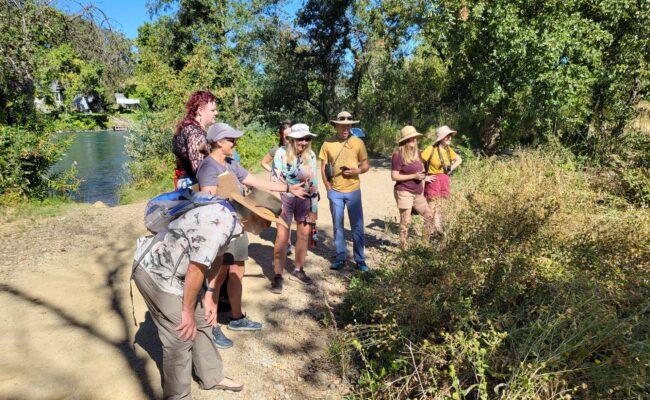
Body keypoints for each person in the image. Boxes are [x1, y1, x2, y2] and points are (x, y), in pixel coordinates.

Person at [196, 122, 306, 346]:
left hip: (237, 227)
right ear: (218, 142)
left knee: (237, 270)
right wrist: (230, 197)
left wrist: (288, 188)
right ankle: (212, 326)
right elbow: (207, 199)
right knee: (218, 277)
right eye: (231, 140)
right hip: (219, 230)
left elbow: (254, 181)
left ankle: (237, 318)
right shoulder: (208, 167)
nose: (235, 143)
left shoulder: (231, 163)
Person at [131, 202, 245, 399]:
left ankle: (211, 376)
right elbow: (195, 268)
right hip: (155, 271)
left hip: (177, 272)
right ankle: (178, 396)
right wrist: (186, 311)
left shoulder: (233, 222)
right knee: (181, 333)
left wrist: (209, 294)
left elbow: (218, 256)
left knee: (203, 319)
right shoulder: (221, 224)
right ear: (257, 217)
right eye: (268, 221)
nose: (270, 227)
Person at [270, 123, 319, 293]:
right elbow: (274, 180)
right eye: (300, 138)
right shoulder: (281, 154)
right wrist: (278, 204)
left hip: (304, 199)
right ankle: (278, 275)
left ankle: (299, 269)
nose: (304, 142)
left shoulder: (311, 155)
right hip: (285, 198)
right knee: (282, 237)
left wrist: (314, 208)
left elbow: (313, 182)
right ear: (292, 139)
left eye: (307, 138)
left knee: (304, 235)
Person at [319, 111, 370, 272]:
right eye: (342, 126)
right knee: (338, 226)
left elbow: (366, 165)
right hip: (335, 191)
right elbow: (323, 168)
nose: (346, 128)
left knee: (357, 226)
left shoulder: (358, 143)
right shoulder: (327, 143)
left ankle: (360, 260)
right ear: (336, 126)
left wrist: (357, 171)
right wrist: (328, 189)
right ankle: (340, 257)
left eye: (348, 125)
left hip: (353, 191)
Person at [391, 126, 434, 247]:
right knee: (406, 219)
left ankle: (425, 244)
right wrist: (413, 176)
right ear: (405, 141)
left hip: (417, 192)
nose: (414, 141)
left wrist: (424, 177)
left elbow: (420, 172)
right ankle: (403, 246)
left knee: (429, 216)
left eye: (415, 138)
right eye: (411, 139)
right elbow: (394, 176)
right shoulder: (398, 155)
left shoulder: (418, 153)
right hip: (404, 191)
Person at [421, 125, 463, 237]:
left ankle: (436, 233)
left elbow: (459, 160)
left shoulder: (448, 150)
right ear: (441, 137)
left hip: (444, 180)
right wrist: (424, 177)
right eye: (447, 136)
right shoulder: (431, 149)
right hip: (433, 181)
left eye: (450, 136)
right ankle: (425, 238)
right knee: (430, 210)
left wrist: (450, 169)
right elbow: (418, 162)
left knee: (439, 209)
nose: (450, 138)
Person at [171, 90, 218, 189]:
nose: (216, 113)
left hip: (185, 183)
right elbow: (200, 168)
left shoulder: (189, 128)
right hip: (194, 187)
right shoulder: (195, 133)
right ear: (200, 111)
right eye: (213, 110)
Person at [261, 121, 295, 256]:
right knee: (283, 218)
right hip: (280, 189)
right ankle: (285, 244)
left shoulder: (298, 150)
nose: (289, 139)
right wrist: (274, 172)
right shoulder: (276, 151)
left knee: (289, 219)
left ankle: (288, 242)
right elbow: (263, 163)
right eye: (286, 136)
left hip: (293, 189)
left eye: (291, 135)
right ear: (281, 136)